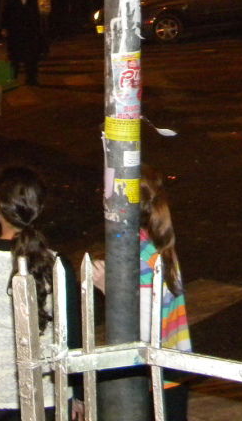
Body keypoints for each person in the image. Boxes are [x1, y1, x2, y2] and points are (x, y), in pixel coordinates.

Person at [0, 166, 83, 420]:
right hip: (48, 391)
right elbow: (73, 334)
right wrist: (77, 391)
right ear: (39, 209)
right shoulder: (57, 264)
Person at [93, 167, 191, 421]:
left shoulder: (136, 254)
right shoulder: (159, 242)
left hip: (153, 382)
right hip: (174, 369)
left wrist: (108, 289)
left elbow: (145, 333)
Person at [0, 0, 43, 86]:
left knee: (32, 55)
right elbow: (4, 11)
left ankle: (31, 78)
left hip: (30, 28)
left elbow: (35, 11)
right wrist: (4, 27)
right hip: (14, 29)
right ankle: (12, 78)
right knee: (14, 55)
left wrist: (38, 26)